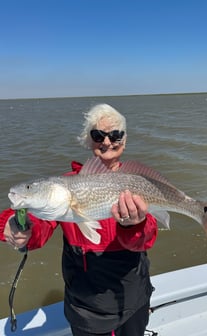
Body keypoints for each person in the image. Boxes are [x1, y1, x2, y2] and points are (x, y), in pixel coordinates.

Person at [0, 104, 158, 336]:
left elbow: (147, 239)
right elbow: (39, 224)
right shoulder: (64, 186)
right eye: (98, 135)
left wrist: (134, 225)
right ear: (88, 140)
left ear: (124, 141)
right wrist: (16, 225)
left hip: (133, 297)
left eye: (115, 135)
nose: (106, 142)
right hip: (86, 308)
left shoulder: (136, 184)